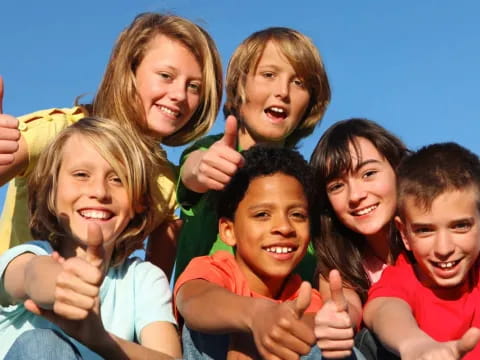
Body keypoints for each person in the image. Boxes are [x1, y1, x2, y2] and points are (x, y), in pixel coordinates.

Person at [0, 12, 223, 277]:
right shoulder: (56, 132)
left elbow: (156, 288)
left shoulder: (166, 183)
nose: (179, 95)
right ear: (128, 70)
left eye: (194, 86)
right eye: (165, 75)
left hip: (96, 317)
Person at [0, 117, 181, 359]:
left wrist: (100, 340)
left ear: (139, 202)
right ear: (52, 193)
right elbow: (30, 275)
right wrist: (62, 284)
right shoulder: (27, 255)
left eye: (118, 179)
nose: (99, 192)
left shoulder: (143, 279)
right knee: (42, 344)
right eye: (81, 174)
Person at [175, 145, 364, 360]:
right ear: (229, 231)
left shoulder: (301, 295)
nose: (284, 227)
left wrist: (326, 327)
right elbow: (192, 301)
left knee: (339, 350)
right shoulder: (215, 270)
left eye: (297, 215)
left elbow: (313, 324)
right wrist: (256, 316)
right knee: (207, 327)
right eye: (263, 214)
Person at [174, 26, 331, 283]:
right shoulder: (212, 151)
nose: (283, 91)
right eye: (268, 74)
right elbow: (193, 171)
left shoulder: (309, 183)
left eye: (299, 82)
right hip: (213, 315)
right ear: (238, 85)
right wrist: (204, 169)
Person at [363, 142, 480, 360]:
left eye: (460, 226)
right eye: (425, 230)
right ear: (404, 234)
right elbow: (383, 308)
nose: (444, 249)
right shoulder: (405, 277)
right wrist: (414, 344)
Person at [309, 118, 408, 357]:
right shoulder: (337, 264)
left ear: (398, 169)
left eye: (368, 173)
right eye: (337, 186)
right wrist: (339, 318)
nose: (355, 195)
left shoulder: (436, 240)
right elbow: (346, 303)